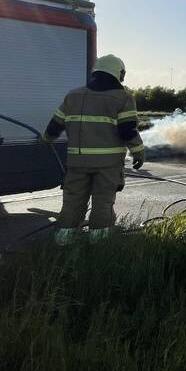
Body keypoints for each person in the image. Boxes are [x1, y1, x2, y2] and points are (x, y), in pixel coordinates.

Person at [41, 54, 145, 245]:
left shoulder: (73, 95)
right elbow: (127, 130)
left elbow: (55, 124)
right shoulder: (123, 98)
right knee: (102, 203)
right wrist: (138, 152)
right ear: (117, 73)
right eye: (122, 74)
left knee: (72, 202)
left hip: (77, 163)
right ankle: (99, 244)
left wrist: (46, 140)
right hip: (108, 165)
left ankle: (63, 241)